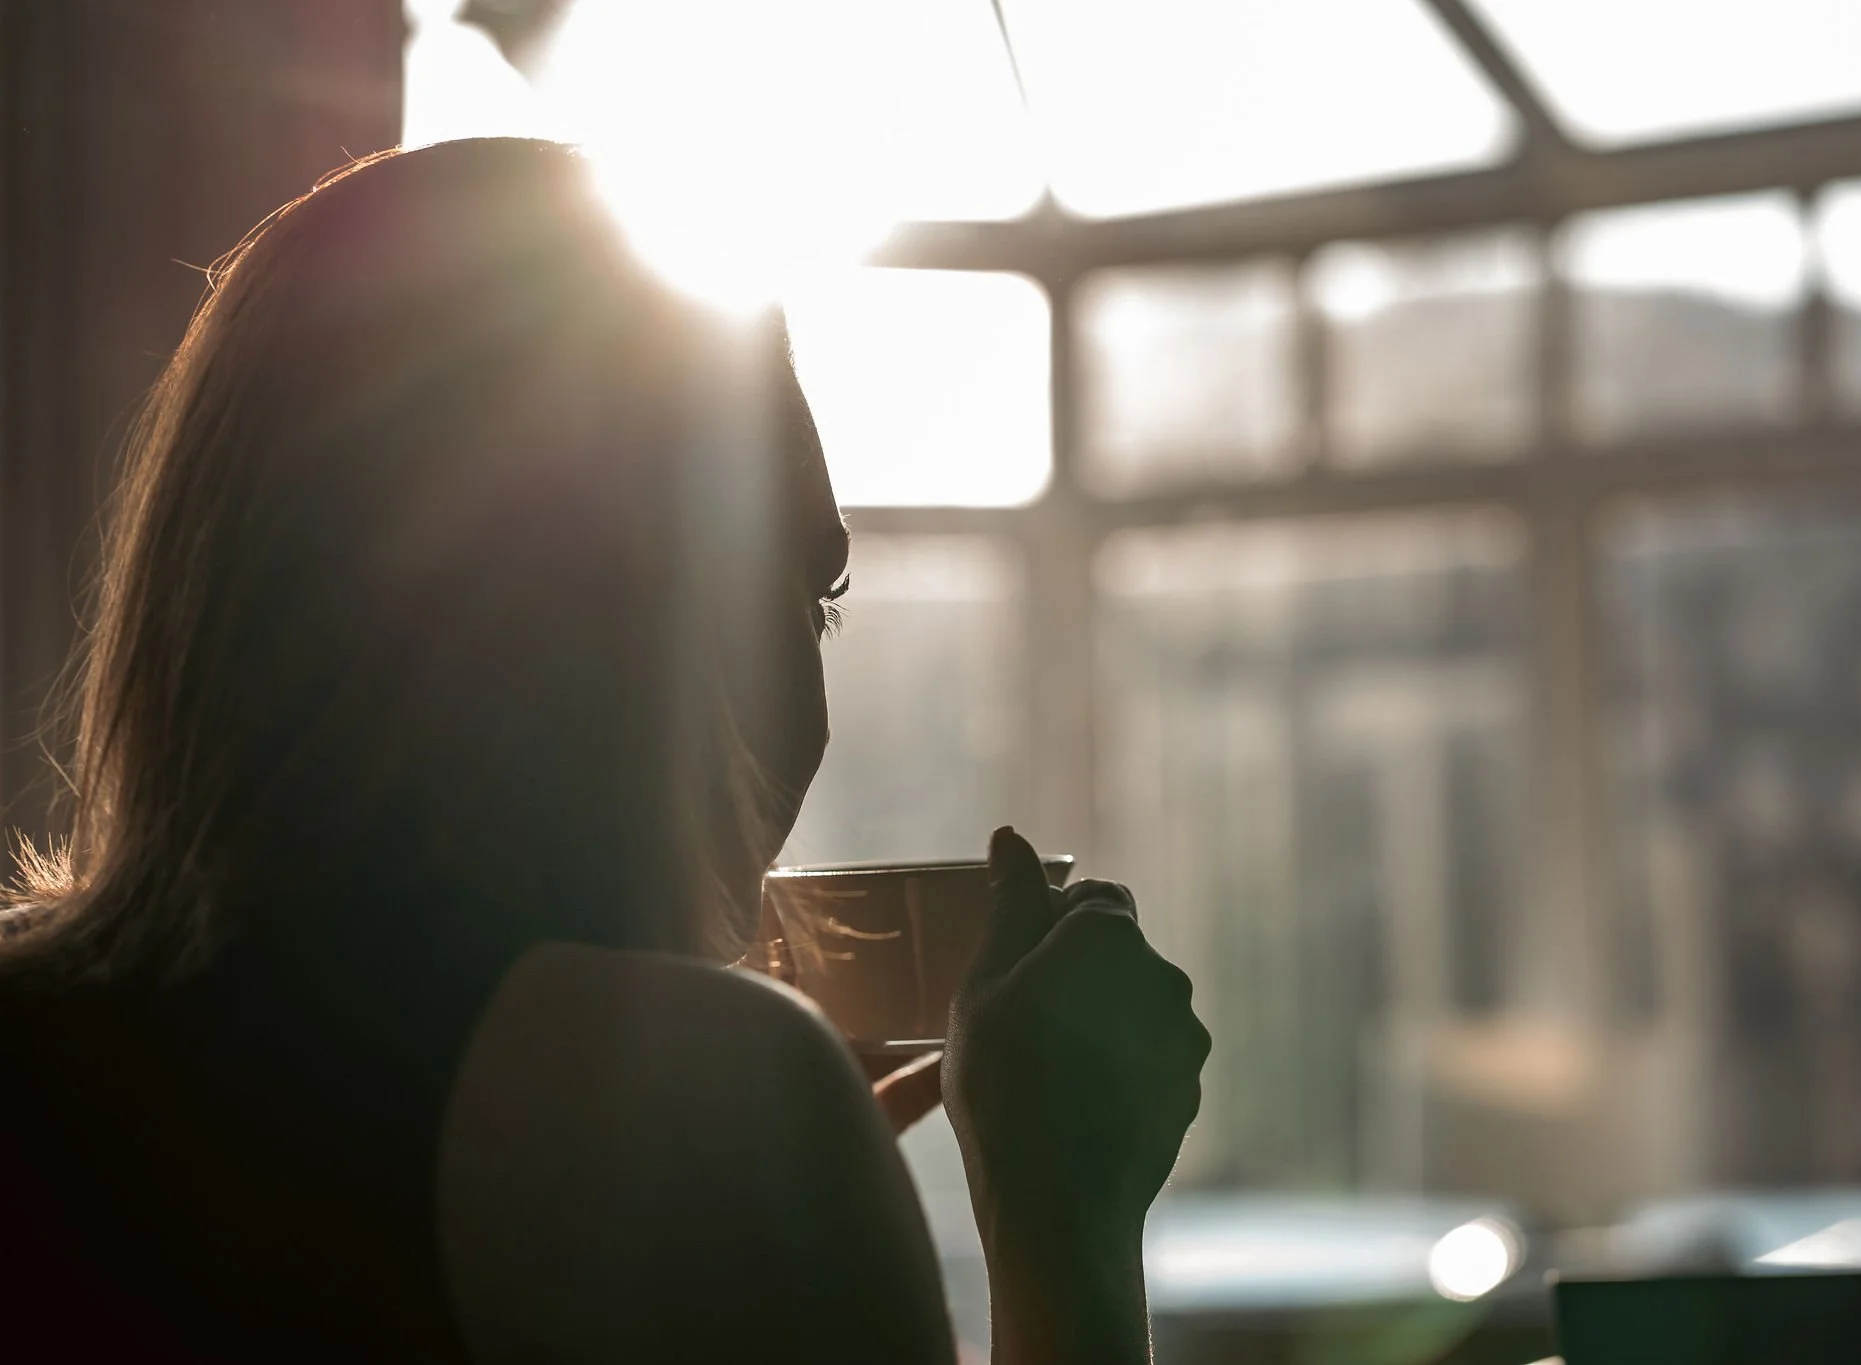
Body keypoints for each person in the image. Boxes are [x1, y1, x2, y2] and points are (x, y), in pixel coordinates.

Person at [0, 137, 1208, 1362]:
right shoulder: (717, 1122)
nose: (816, 716)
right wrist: (1064, 1233)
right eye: (804, 590)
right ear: (637, 615)